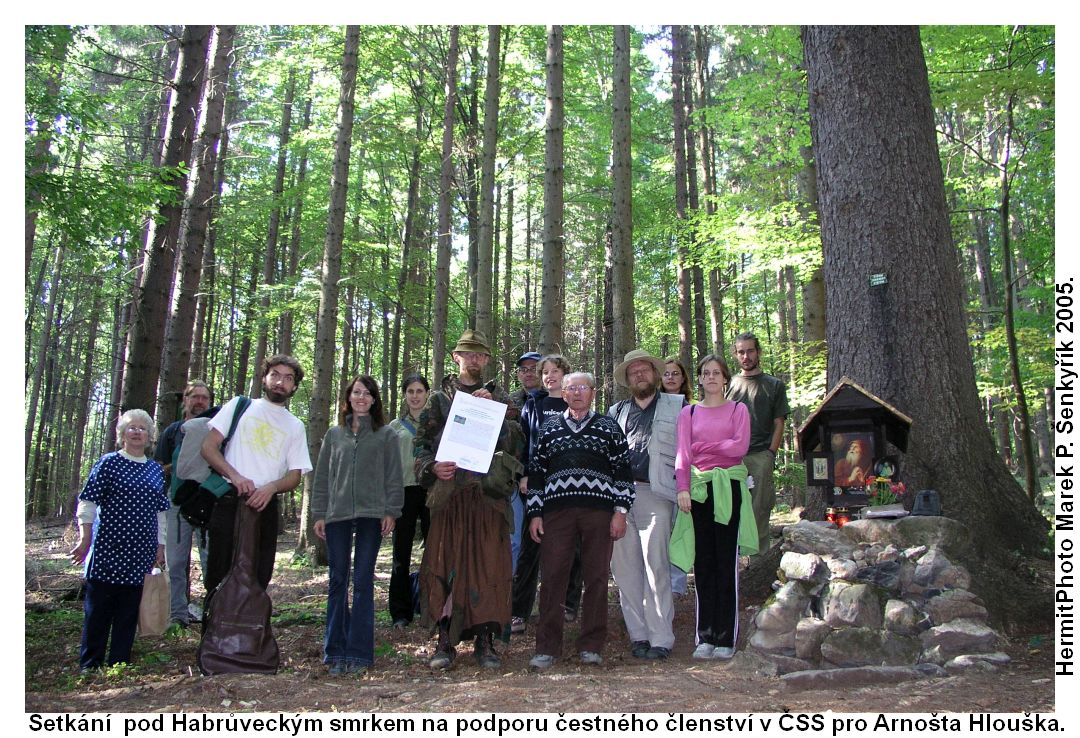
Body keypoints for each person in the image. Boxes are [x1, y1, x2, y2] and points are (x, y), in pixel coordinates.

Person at [415, 330, 523, 669]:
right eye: (467, 354)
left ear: (488, 360)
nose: (473, 360)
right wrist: (432, 466)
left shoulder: (502, 397)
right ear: (455, 357)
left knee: (489, 567)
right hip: (450, 498)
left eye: (480, 355)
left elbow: (517, 443)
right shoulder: (439, 400)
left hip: (488, 498)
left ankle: (486, 641)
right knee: (444, 565)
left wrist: (496, 414)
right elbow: (419, 445)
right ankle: (444, 641)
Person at [526, 372, 634, 669]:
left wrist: (620, 511)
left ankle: (592, 645)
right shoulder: (549, 429)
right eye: (570, 388)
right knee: (552, 578)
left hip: (599, 513)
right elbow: (537, 473)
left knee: (597, 578)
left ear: (593, 392)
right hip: (556, 513)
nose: (576, 393)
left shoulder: (609, 428)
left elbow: (623, 472)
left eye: (582, 388)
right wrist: (535, 513)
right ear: (563, 393)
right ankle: (547, 647)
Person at [201, 355, 312, 610]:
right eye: (275, 375)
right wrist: (236, 475)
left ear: (294, 387)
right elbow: (208, 447)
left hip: (265, 508)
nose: (280, 382)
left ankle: (247, 641)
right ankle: (213, 642)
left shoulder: (295, 426)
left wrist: (271, 488)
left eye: (288, 378)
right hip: (228, 501)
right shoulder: (240, 406)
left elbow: (295, 475)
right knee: (218, 575)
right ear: (264, 378)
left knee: (259, 577)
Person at [312, 375, 403, 675]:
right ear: (348, 397)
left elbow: (393, 475)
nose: (361, 398)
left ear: (375, 400)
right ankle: (334, 650)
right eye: (356, 392)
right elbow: (323, 476)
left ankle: (360, 652)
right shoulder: (334, 435)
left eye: (367, 393)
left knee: (362, 580)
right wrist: (319, 513)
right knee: (338, 580)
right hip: (337, 515)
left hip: (371, 514)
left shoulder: (385, 434)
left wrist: (391, 510)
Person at [70, 409, 169, 672]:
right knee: (99, 610)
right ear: (122, 434)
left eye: (142, 428)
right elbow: (88, 501)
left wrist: (161, 546)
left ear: (149, 435)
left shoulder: (155, 470)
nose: (137, 432)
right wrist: (85, 538)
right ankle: (90, 664)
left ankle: (119, 663)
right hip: (107, 548)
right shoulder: (108, 463)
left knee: (128, 611)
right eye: (131, 427)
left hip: (141, 551)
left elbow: (161, 513)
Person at [672, 355, 755, 660]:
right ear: (700, 378)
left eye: (716, 373)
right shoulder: (689, 413)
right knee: (703, 562)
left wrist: (703, 449)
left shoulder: (738, 410)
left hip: (728, 488)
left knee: (725, 562)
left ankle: (725, 637)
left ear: (725, 378)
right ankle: (705, 635)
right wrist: (682, 488)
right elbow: (683, 455)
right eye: (705, 373)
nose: (710, 377)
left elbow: (739, 447)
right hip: (697, 490)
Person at [607, 348, 684, 660]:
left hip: (658, 494)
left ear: (654, 374)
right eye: (633, 372)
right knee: (625, 570)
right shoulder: (615, 413)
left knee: (657, 567)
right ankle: (637, 635)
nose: (639, 375)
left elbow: (690, 452)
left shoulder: (678, 407)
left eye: (644, 370)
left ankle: (661, 638)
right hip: (620, 498)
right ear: (627, 380)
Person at [511, 354, 583, 634]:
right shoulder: (534, 405)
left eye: (556, 371)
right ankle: (519, 611)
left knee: (572, 546)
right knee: (531, 547)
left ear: (565, 374)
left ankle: (568, 603)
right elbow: (526, 442)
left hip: (571, 484)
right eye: (545, 373)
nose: (550, 376)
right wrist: (525, 474)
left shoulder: (575, 401)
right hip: (539, 484)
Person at [155, 380, 213, 628]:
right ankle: (177, 614)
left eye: (205, 398)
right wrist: (181, 468)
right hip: (177, 503)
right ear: (185, 401)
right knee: (176, 561)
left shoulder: (216, 430)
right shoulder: (173, 431)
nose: (200, 402)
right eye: (195, 397)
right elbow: (158, 469)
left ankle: (213, 612)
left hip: (209, 501)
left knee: (211, 559)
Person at [726, 332, 789, 556]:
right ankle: (734, 562)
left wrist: (771, 453)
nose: (746, 356)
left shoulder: (774, 385)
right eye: (741, 351)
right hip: (732, 458)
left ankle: (758, 561)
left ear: (758, 352)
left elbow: (779, 423)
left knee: (759, 509)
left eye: (750, 350)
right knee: (731, 509)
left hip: (761, 454)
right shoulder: (730, 385)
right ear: (736, 354)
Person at [387, 374, 431, 628]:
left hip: (429, 490)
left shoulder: (436, 425)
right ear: (405, 395)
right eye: (410, 391)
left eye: (419, 391)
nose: (415, 396)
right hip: (403, 491)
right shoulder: (394, 428)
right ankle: (400, 612)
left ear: (427, 393)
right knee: (400, 553)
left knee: (433, 551)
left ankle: (429, 605)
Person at [508, 350, 542, 575]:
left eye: (533, 369)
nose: (528, 374)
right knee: (514, 539)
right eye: (524, 369)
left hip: (545, 479)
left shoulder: (557, 399)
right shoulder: (507, 402)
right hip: (512, 480)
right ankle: (510, 591)